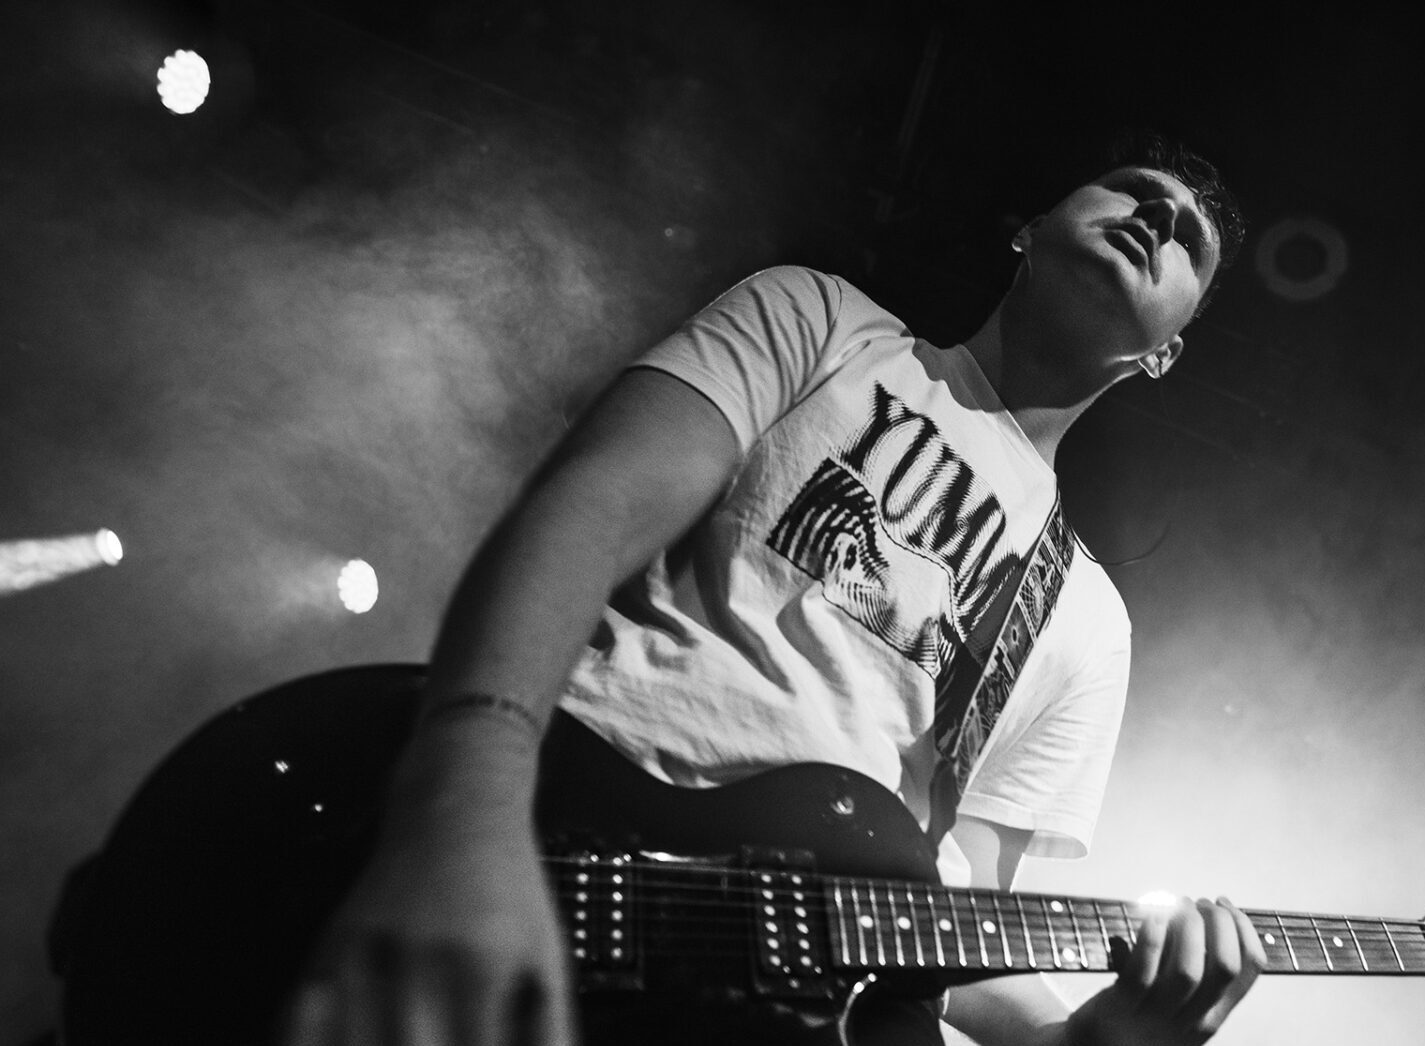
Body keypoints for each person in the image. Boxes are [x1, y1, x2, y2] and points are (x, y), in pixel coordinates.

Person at [282, 133, 1261, 1046]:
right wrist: (462, 814)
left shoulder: (1086, 617)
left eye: (1188, 239)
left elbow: (956, 914)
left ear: (1165, 354)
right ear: (1030, 229)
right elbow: (587, 512)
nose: (1157, 217)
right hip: (557, 829)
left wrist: (1080, 1039)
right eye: (1133, 190)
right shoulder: (823, 321)